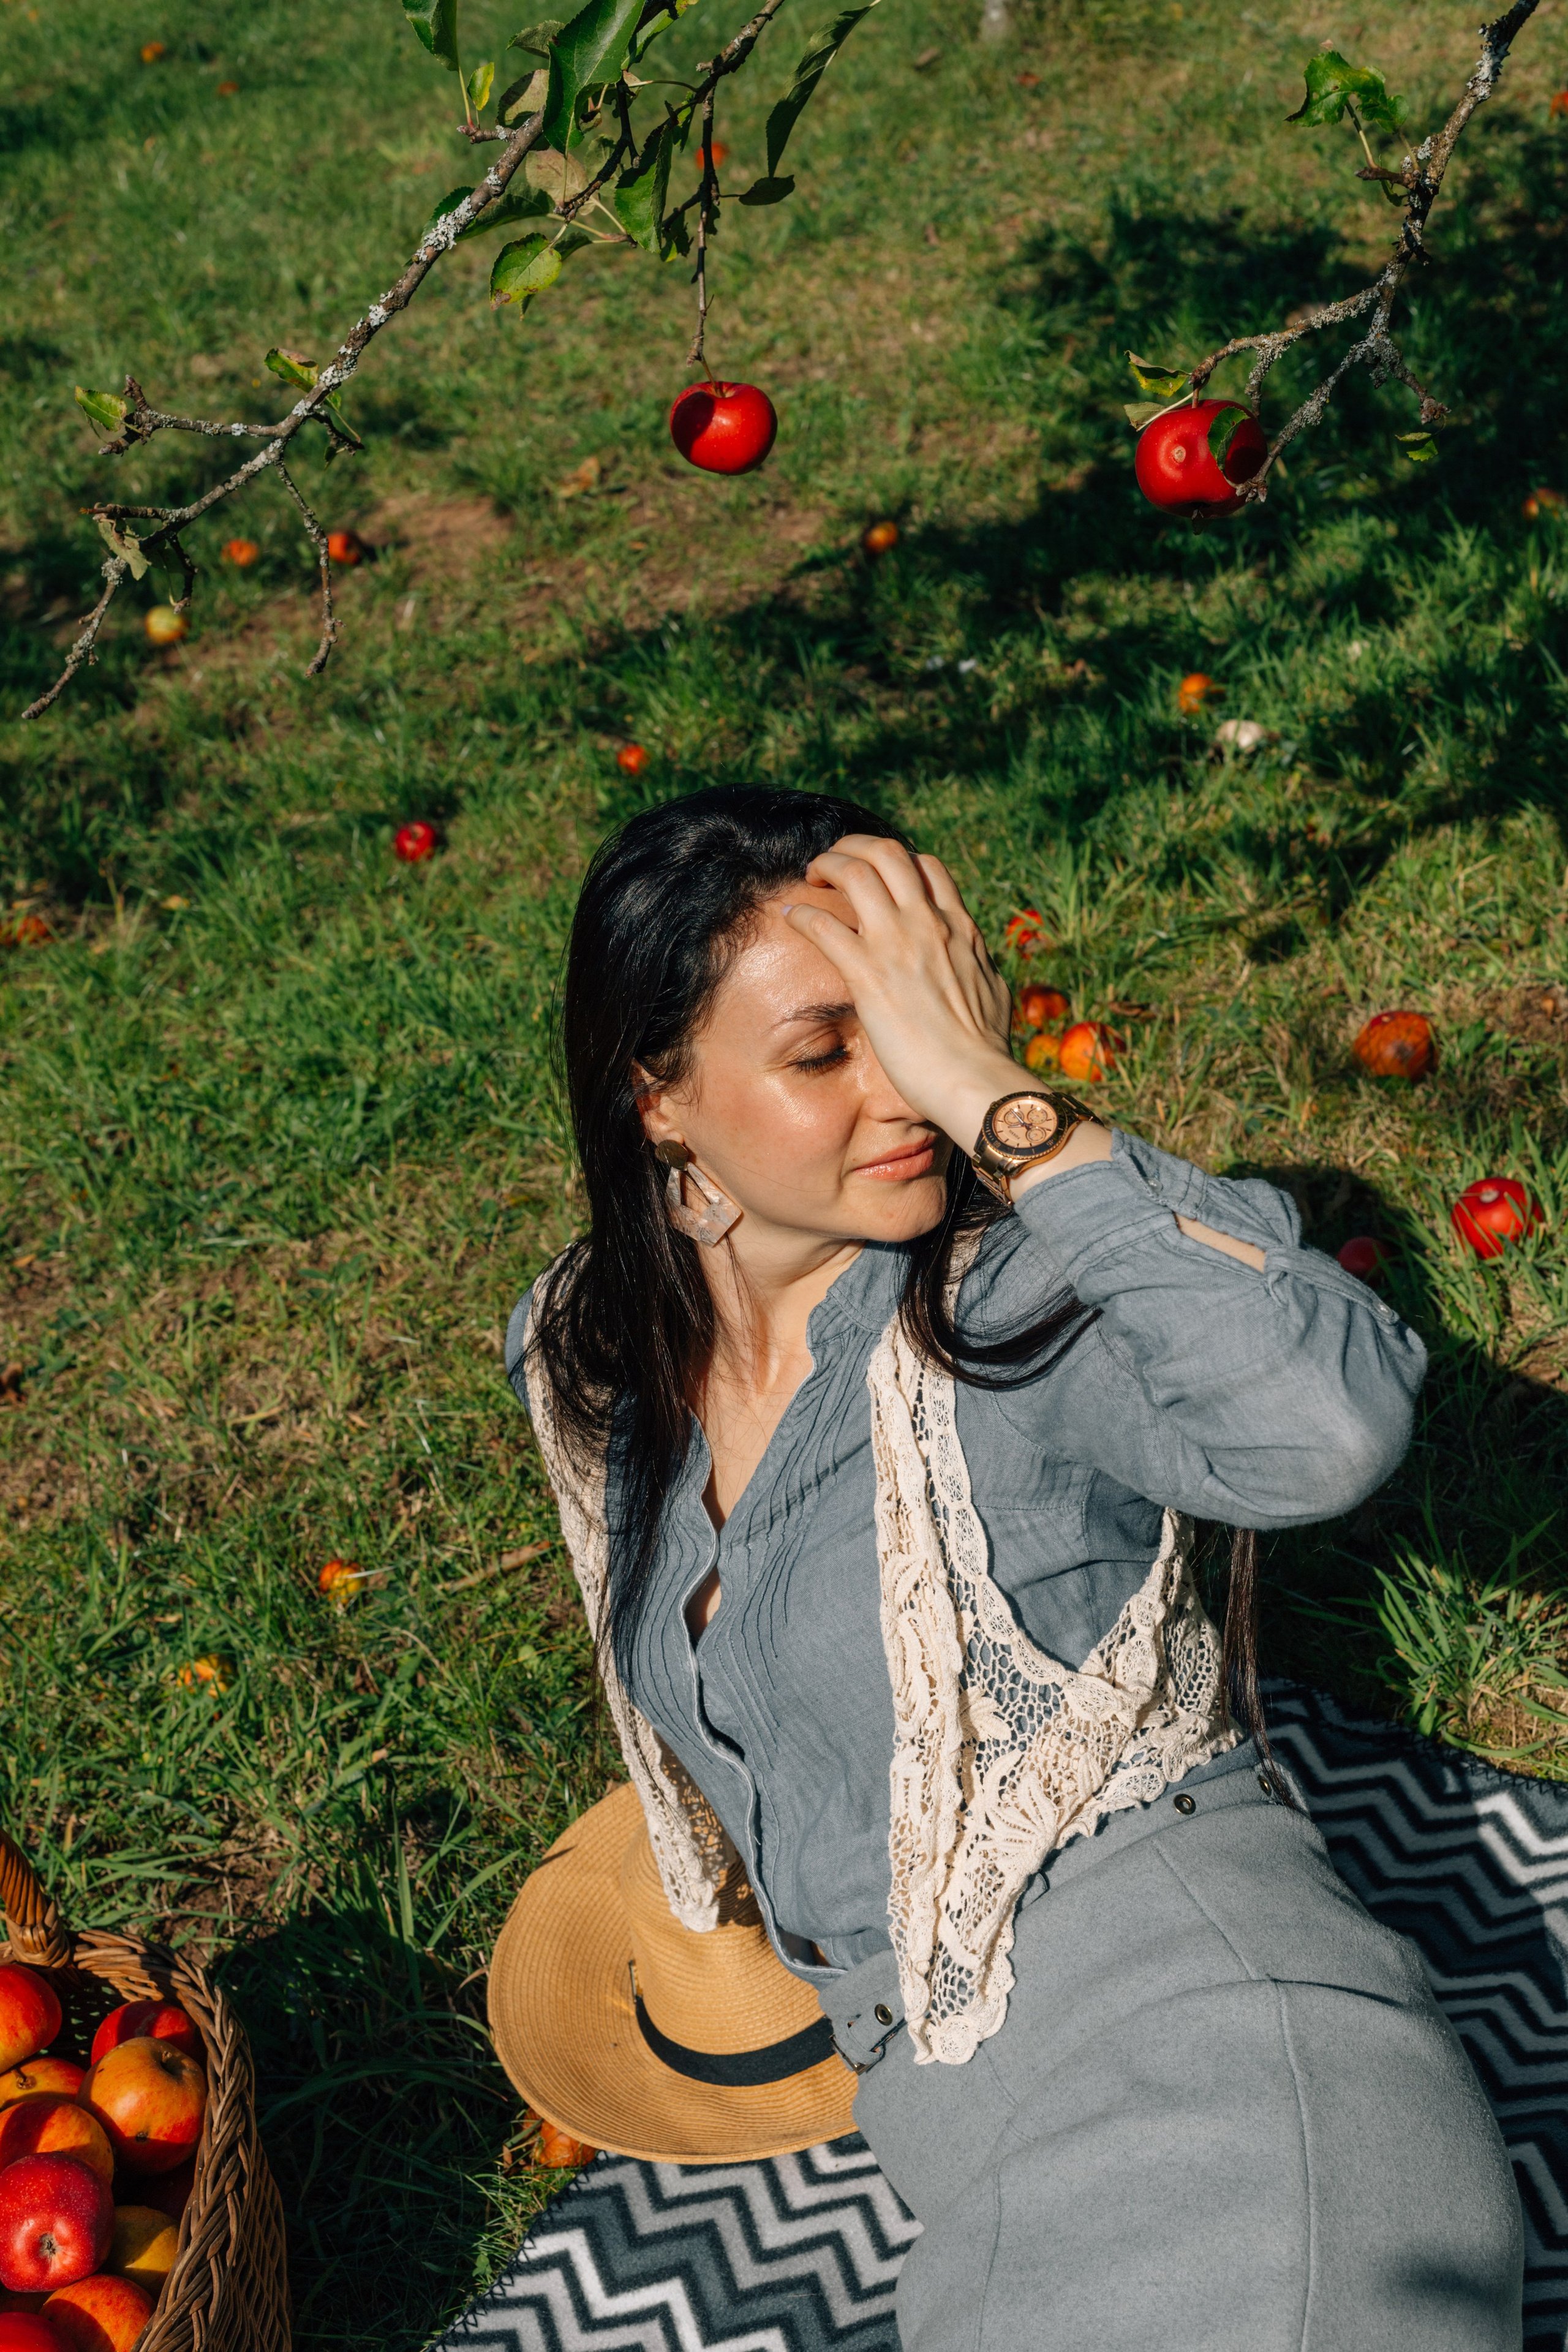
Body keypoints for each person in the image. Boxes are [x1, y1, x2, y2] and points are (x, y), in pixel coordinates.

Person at [507, 784, 1524, 2351]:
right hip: (972, 2144)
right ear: (657, 1094)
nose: (897, 1094)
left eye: (908, 1022)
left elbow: (1323, 1426)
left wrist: (1000, 1093)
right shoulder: (594, 1352)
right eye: (820, 1050)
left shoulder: (1005, 1299)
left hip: (1227, 2086)